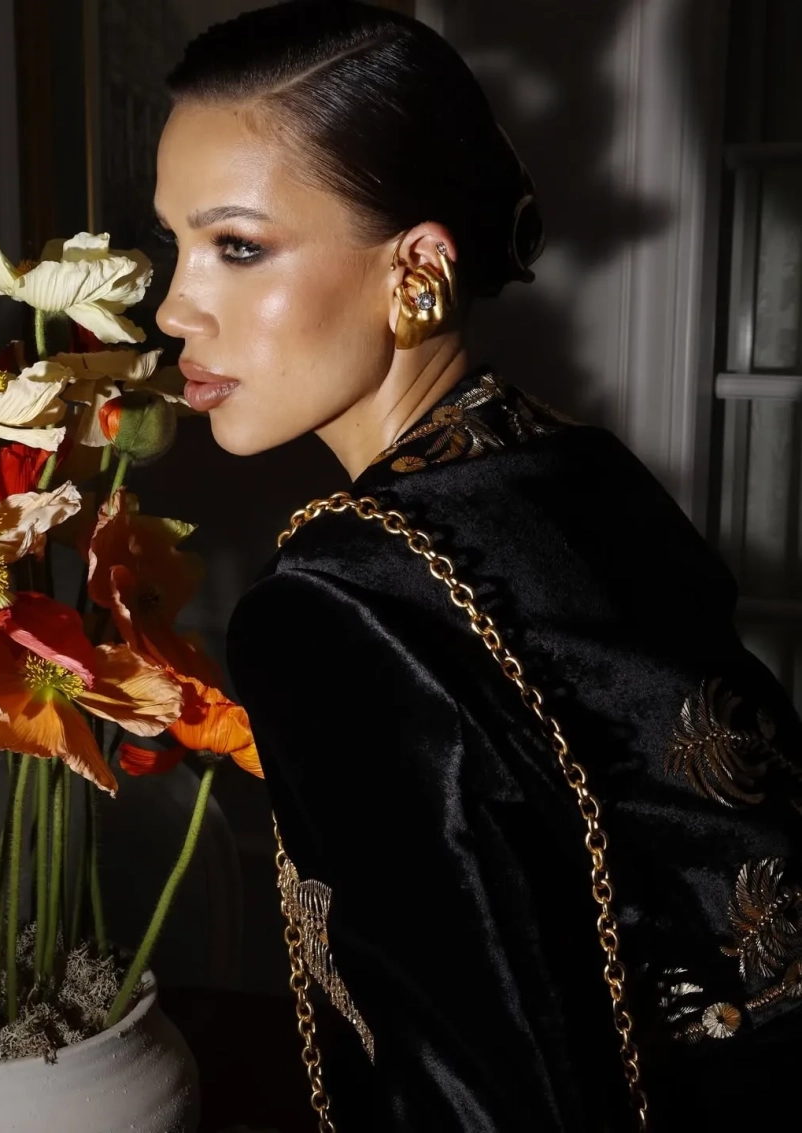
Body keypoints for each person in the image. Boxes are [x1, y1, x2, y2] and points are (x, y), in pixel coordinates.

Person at [153, 2, 802, 1129]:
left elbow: (475, 1094)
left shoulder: (336, 605)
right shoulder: (577, 469)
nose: (174, 306)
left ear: (416, 267)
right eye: (173, 241)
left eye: (237, 247)